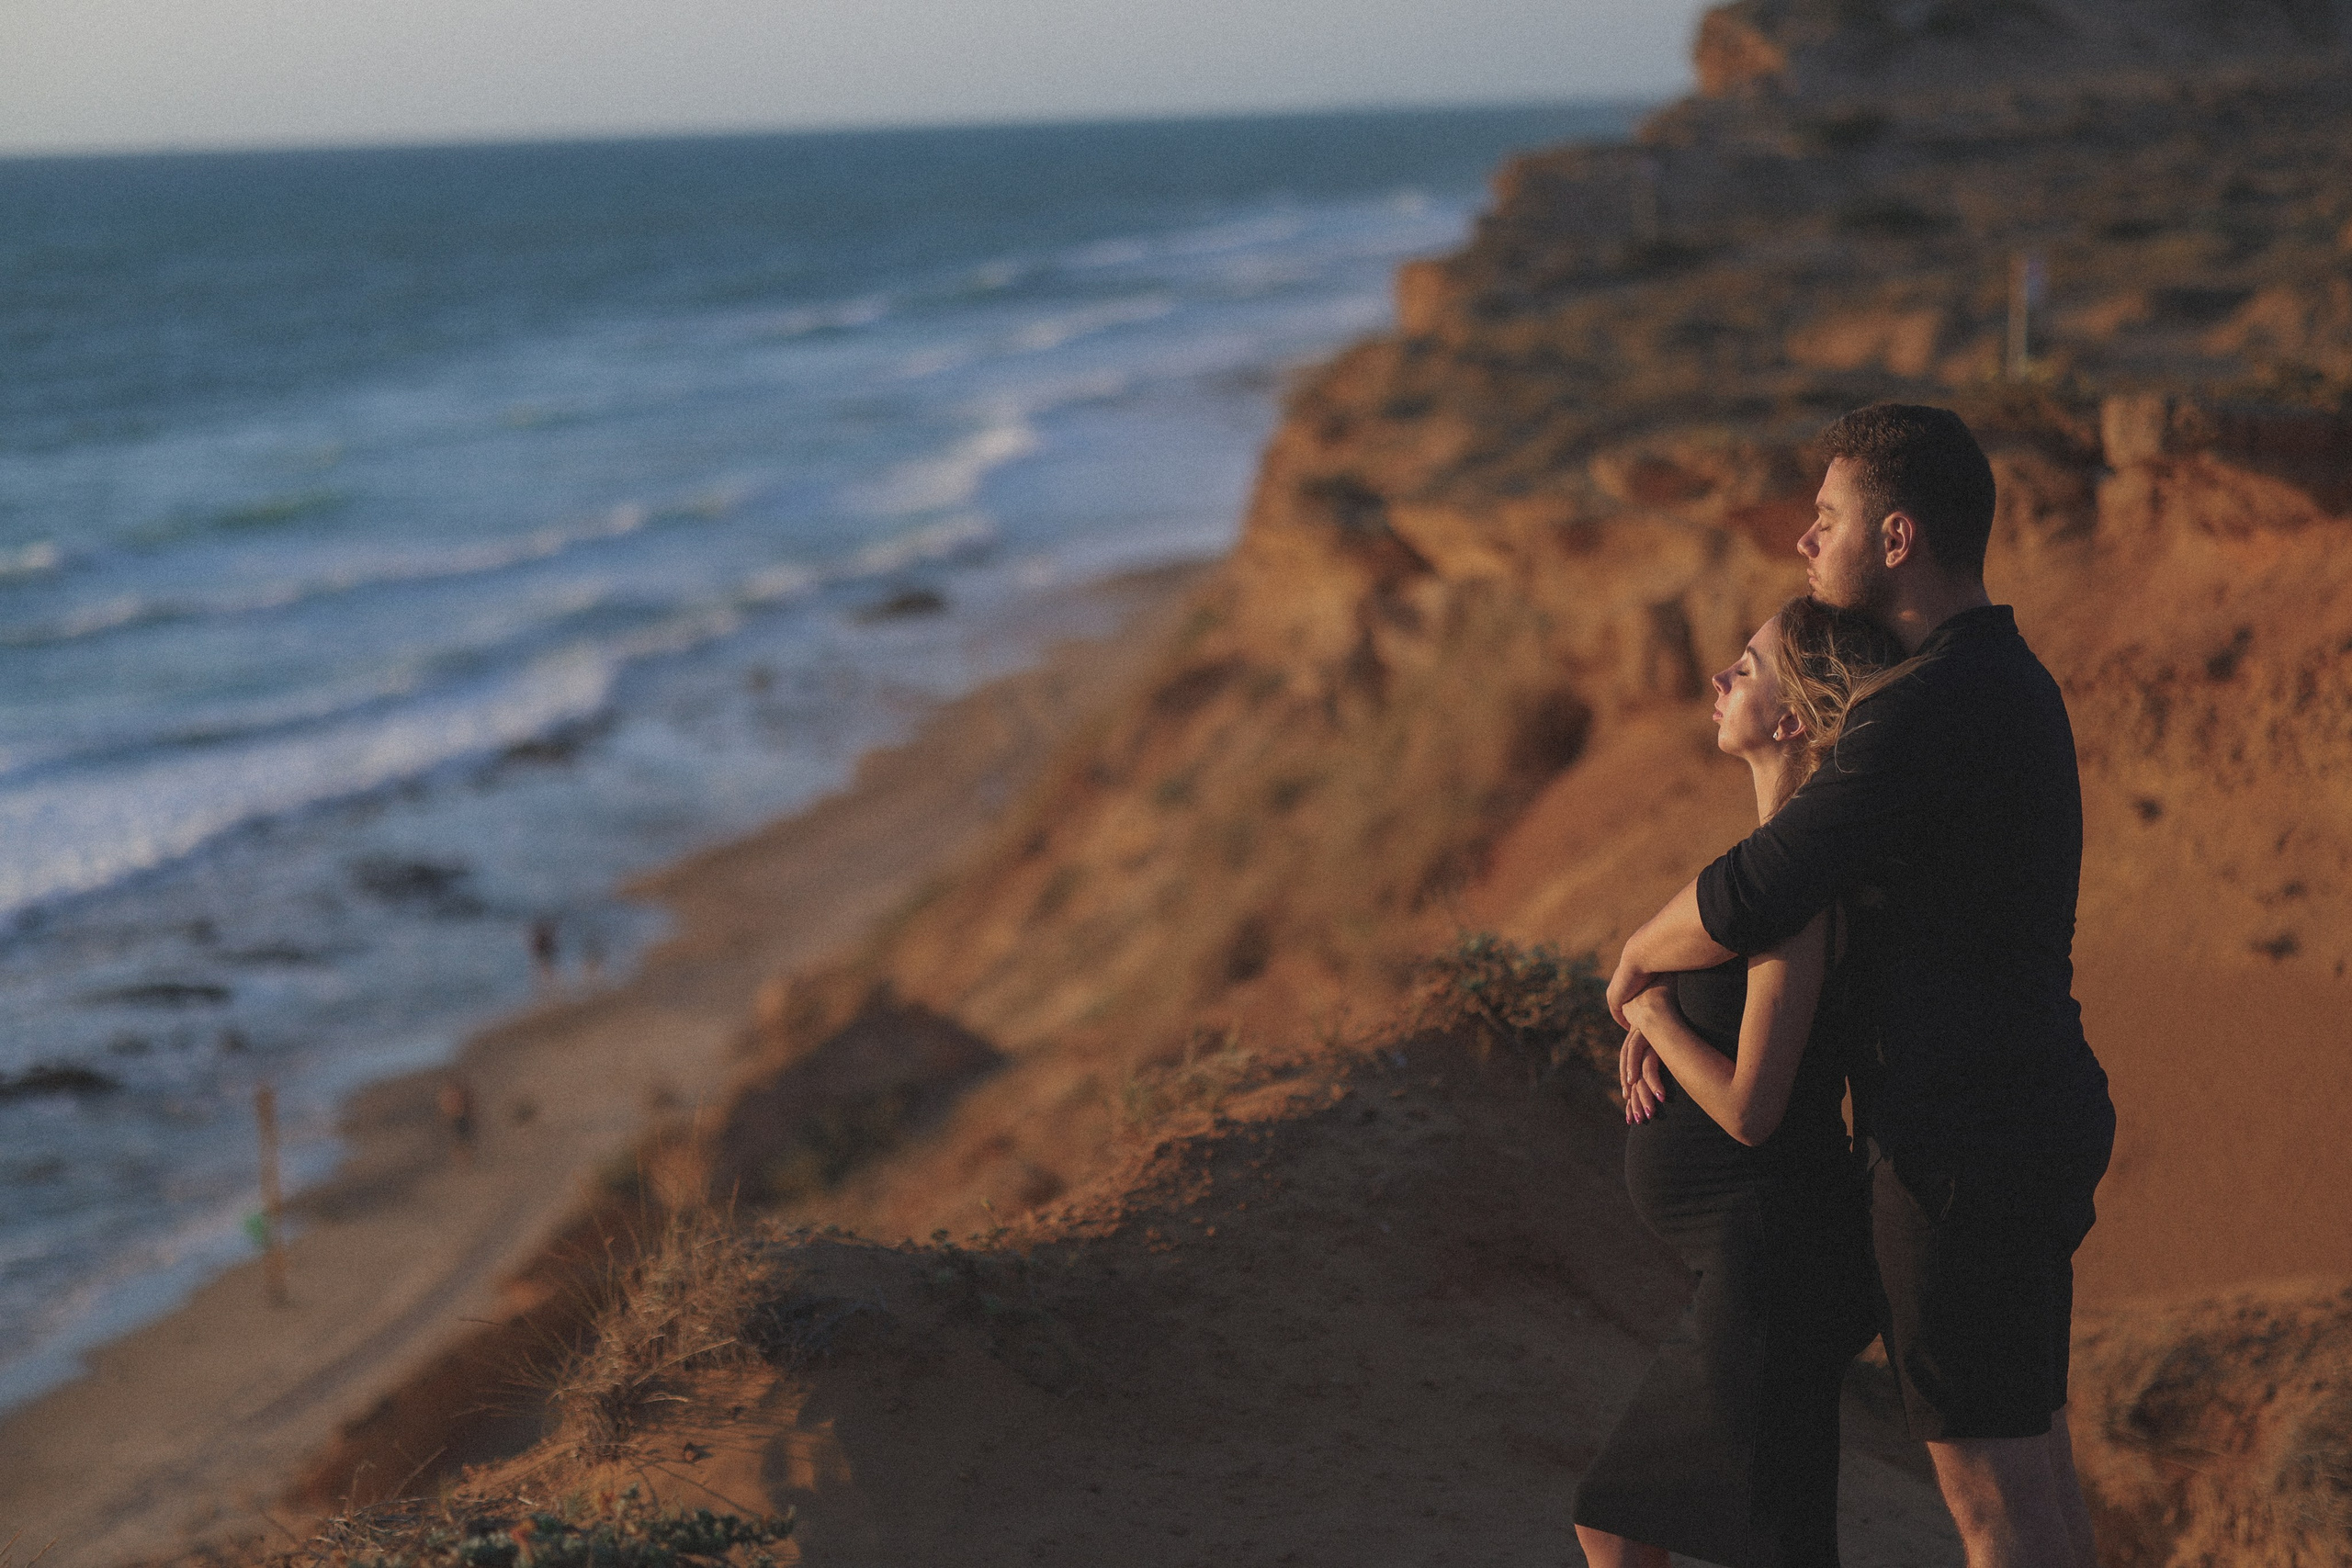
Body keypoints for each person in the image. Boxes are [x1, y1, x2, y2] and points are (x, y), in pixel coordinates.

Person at [1607, 405, 2116, 1568]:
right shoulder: (1998, 682)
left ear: (1895, 540)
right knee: (2035, 1471)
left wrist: (1634, 966)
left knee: (1995, 1506)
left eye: (1825, 518)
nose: (1804, 541)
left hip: (1959, 1148)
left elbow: (1761, 883)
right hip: (2016, 1121)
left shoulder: (1927, 708)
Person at [1573, 595, 1904, 1568]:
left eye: (1747, 669)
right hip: (1770, 1261)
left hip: (1774, 1258)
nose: (1719, 680)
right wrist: (1658, 1014)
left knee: (1618, 1518)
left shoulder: (1797, 897)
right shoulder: (1778, 873)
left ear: (1795, 720)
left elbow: (1752, 1108)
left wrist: (1657, 1017)